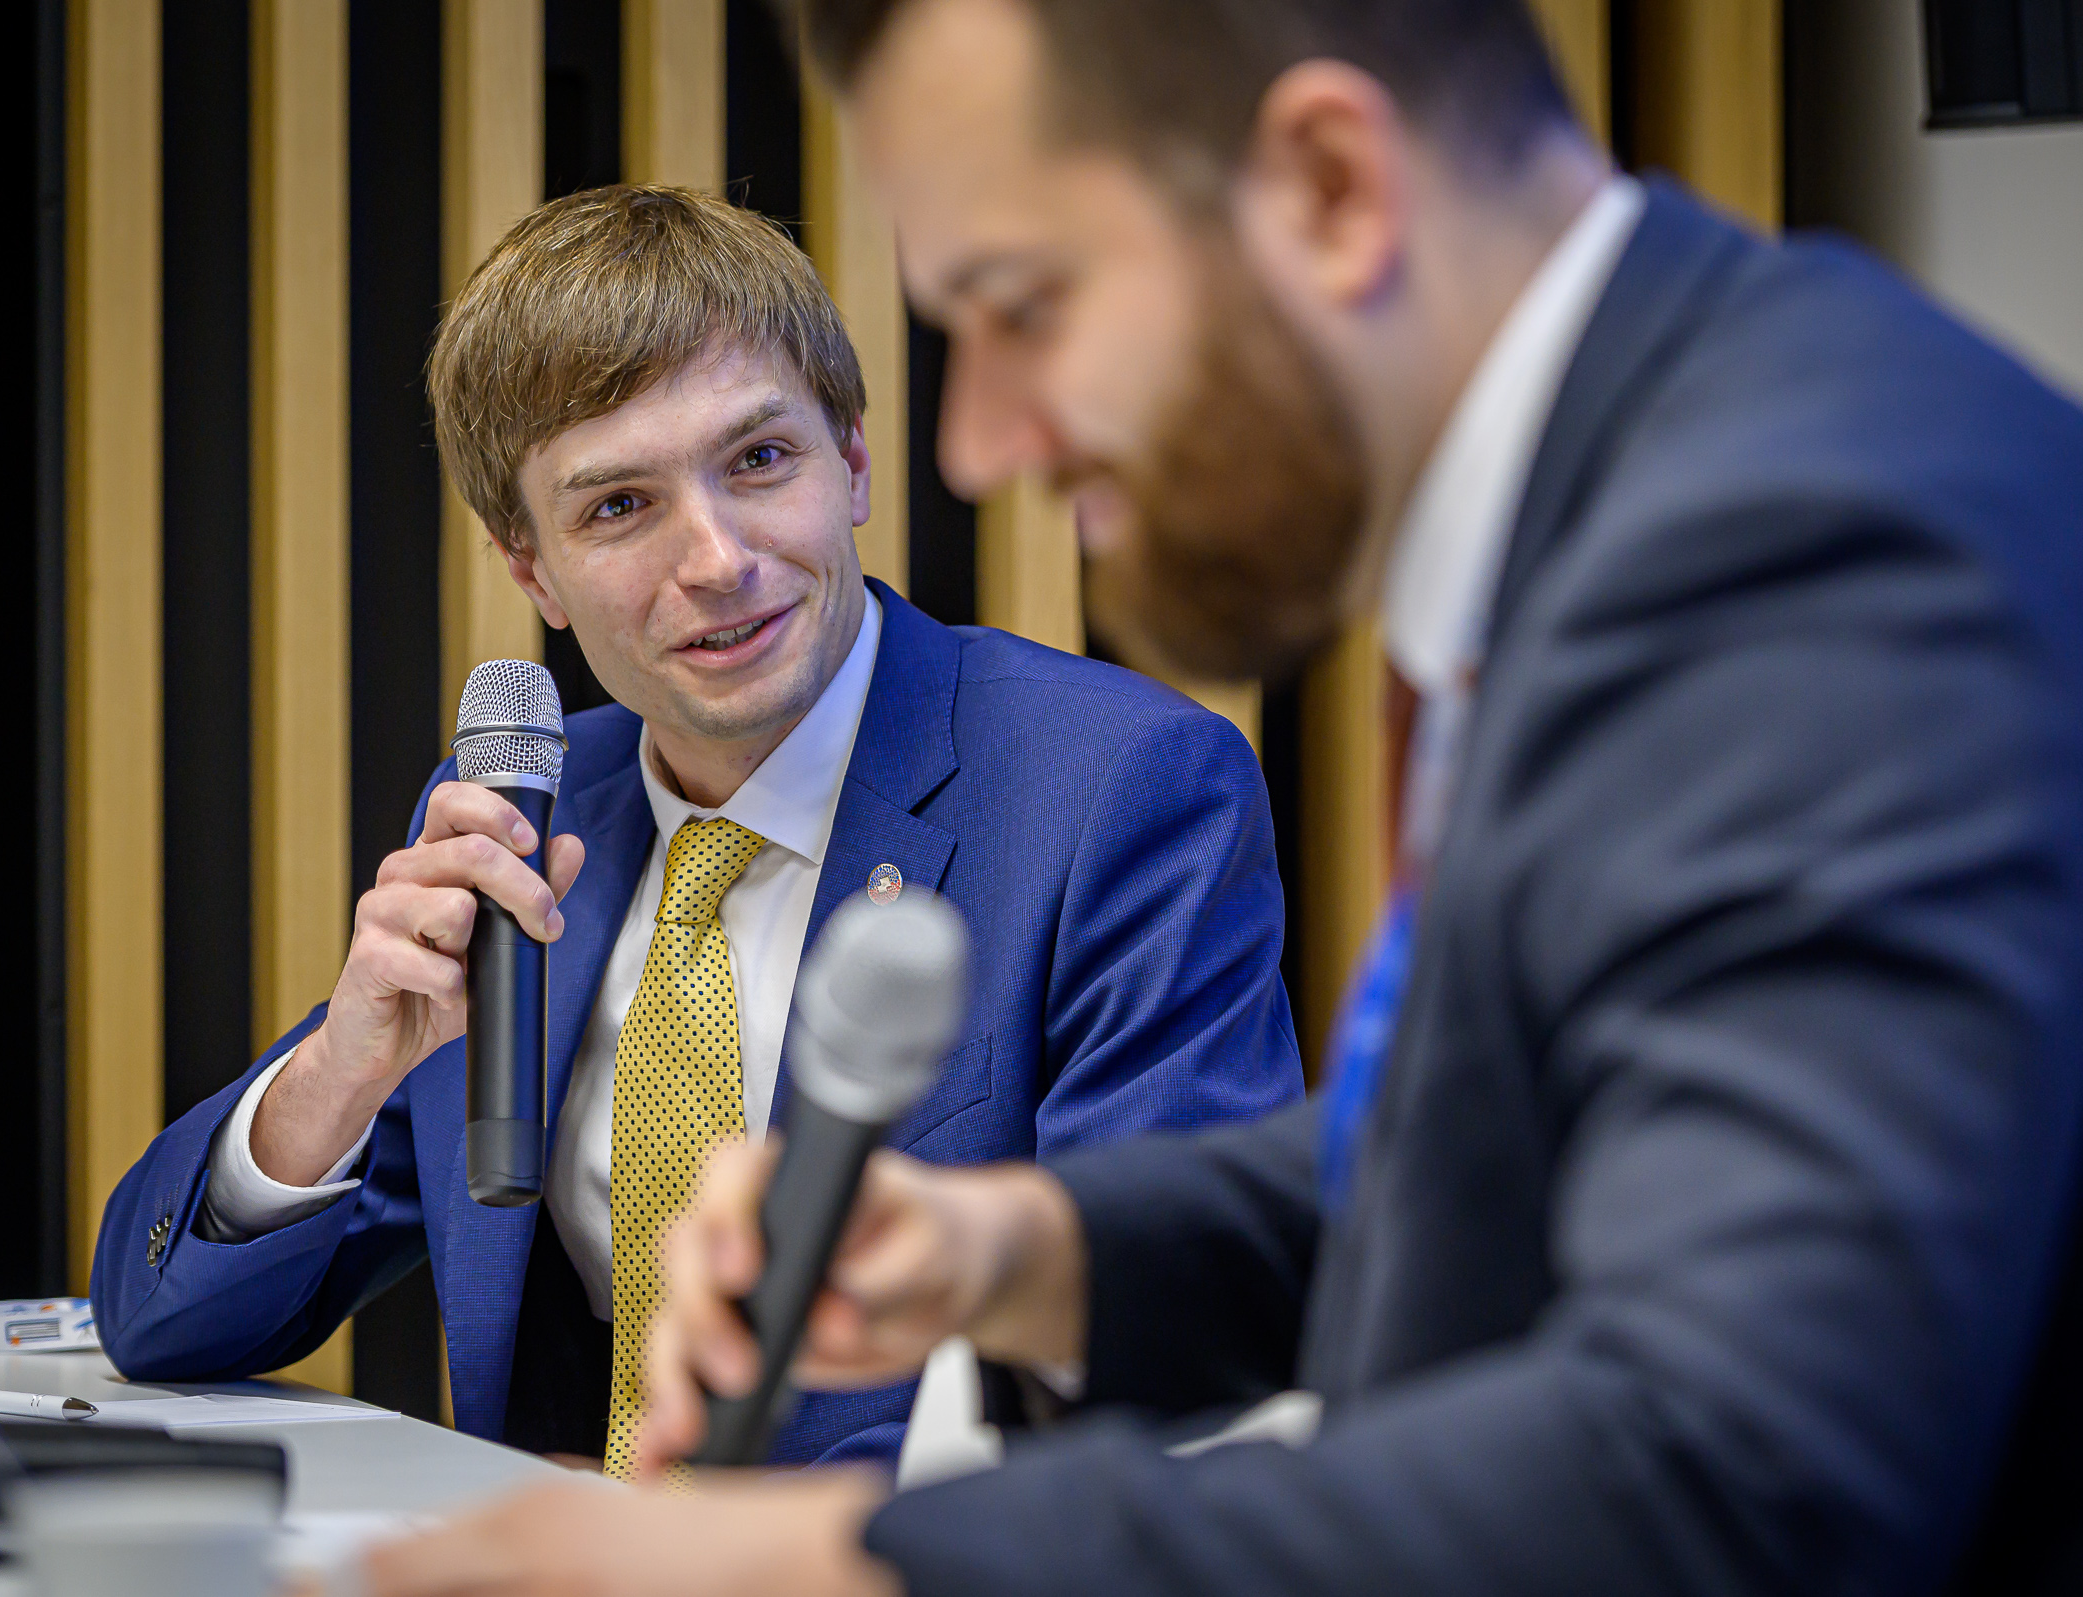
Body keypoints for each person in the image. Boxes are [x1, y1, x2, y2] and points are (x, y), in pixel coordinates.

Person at [365, 0, 2083, 1591]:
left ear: (1327, 184)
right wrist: (1029, 1251)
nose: (981, 437)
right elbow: (1522, 1151)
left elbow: (1731, 1477)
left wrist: (849, 1564)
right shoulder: (1682, 476)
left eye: (1024, 304)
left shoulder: (1811, 556)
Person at [89, 185, 1302, 1475]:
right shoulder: (527, 815)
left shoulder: (1120, 790)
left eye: (759, 460)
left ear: (852, 460)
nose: (717, 558)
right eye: (620, 506)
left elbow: (1180, 1344)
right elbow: (157, 1317)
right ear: (531, 571)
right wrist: (347, 1066)